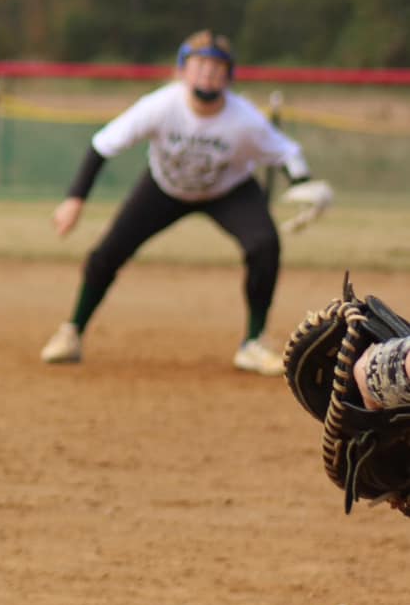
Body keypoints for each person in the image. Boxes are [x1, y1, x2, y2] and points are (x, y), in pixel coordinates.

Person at [39, 30, 332, 377]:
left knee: (264, 244)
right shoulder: (161, 105)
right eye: (199, 64)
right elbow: (103, 145)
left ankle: (253, 343)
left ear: (229, 75)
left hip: (229, 190)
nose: (208, 72)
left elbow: (286, 151)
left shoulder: (243, 118)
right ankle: (71, 332)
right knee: (108, 252)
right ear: (183, 70)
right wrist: (75, 199)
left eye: (217, 66)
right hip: (164, 187)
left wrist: (303, 183)